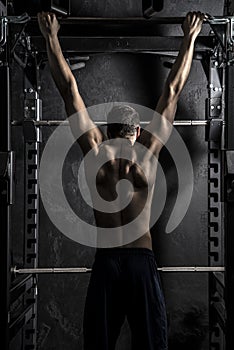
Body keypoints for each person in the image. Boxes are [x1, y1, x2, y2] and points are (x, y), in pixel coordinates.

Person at [38, 11, 205, 350]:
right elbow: (172, 90)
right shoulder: (147, 155)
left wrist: (51, 36)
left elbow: (70, 90)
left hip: (108, 263)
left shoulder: (97, 152)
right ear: (138, 131)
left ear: (107, 131)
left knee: (99, 344)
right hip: (141, 262)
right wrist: (189, 37)